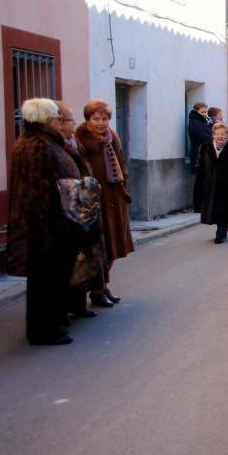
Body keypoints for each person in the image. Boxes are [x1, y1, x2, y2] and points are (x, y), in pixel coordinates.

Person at [7, 99, 99, 344]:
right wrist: (58, 219)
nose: (60, 120)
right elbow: (40, 189)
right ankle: (44, 331)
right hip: (47, 226)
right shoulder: (37, 145)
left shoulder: (42, 142)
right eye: (57, 117)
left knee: (52, 278)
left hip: (53, 223)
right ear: (47, 120)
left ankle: (52, 324)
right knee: (46, 280)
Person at [76, 99, 134, 307]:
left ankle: (103, 285)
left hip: (114, 197)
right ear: (88, 119)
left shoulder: (112, 136)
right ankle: (96, 290)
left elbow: (120, 160)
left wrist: (123, 179)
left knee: (113, 246)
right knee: (97, 247)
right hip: (94, 199)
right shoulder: (80, 138)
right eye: (96, 119)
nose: (101, 123)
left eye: (105, 119)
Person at [54, 100, 99, 320]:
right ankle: (65, 309)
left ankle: (79, 304)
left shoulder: (73, 143)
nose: (74, 123)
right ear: (59, 122)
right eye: (70, 119)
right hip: (67, 212)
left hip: (82, 208)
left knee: (81, 258)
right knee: (69, 263)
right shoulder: (57, 145)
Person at [193, 122, 228, 244]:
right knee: (213, 208)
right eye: (217, 134)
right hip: (210, 184)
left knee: (224, 208)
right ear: (213, 135)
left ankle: (221, 231)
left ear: (227, 134)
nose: (220, 136)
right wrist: (199, 178)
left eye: (223, 134)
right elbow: (200, 165)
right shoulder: (205, 147)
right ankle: (221, 227)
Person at [188, 102, 211, 173]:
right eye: (202, 112)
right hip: (199, 156)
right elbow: (203, 138)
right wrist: (216, 139)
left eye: (205, 112)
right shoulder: (195, 123)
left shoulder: (202, 122)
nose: (204, 114)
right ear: (196, 111)